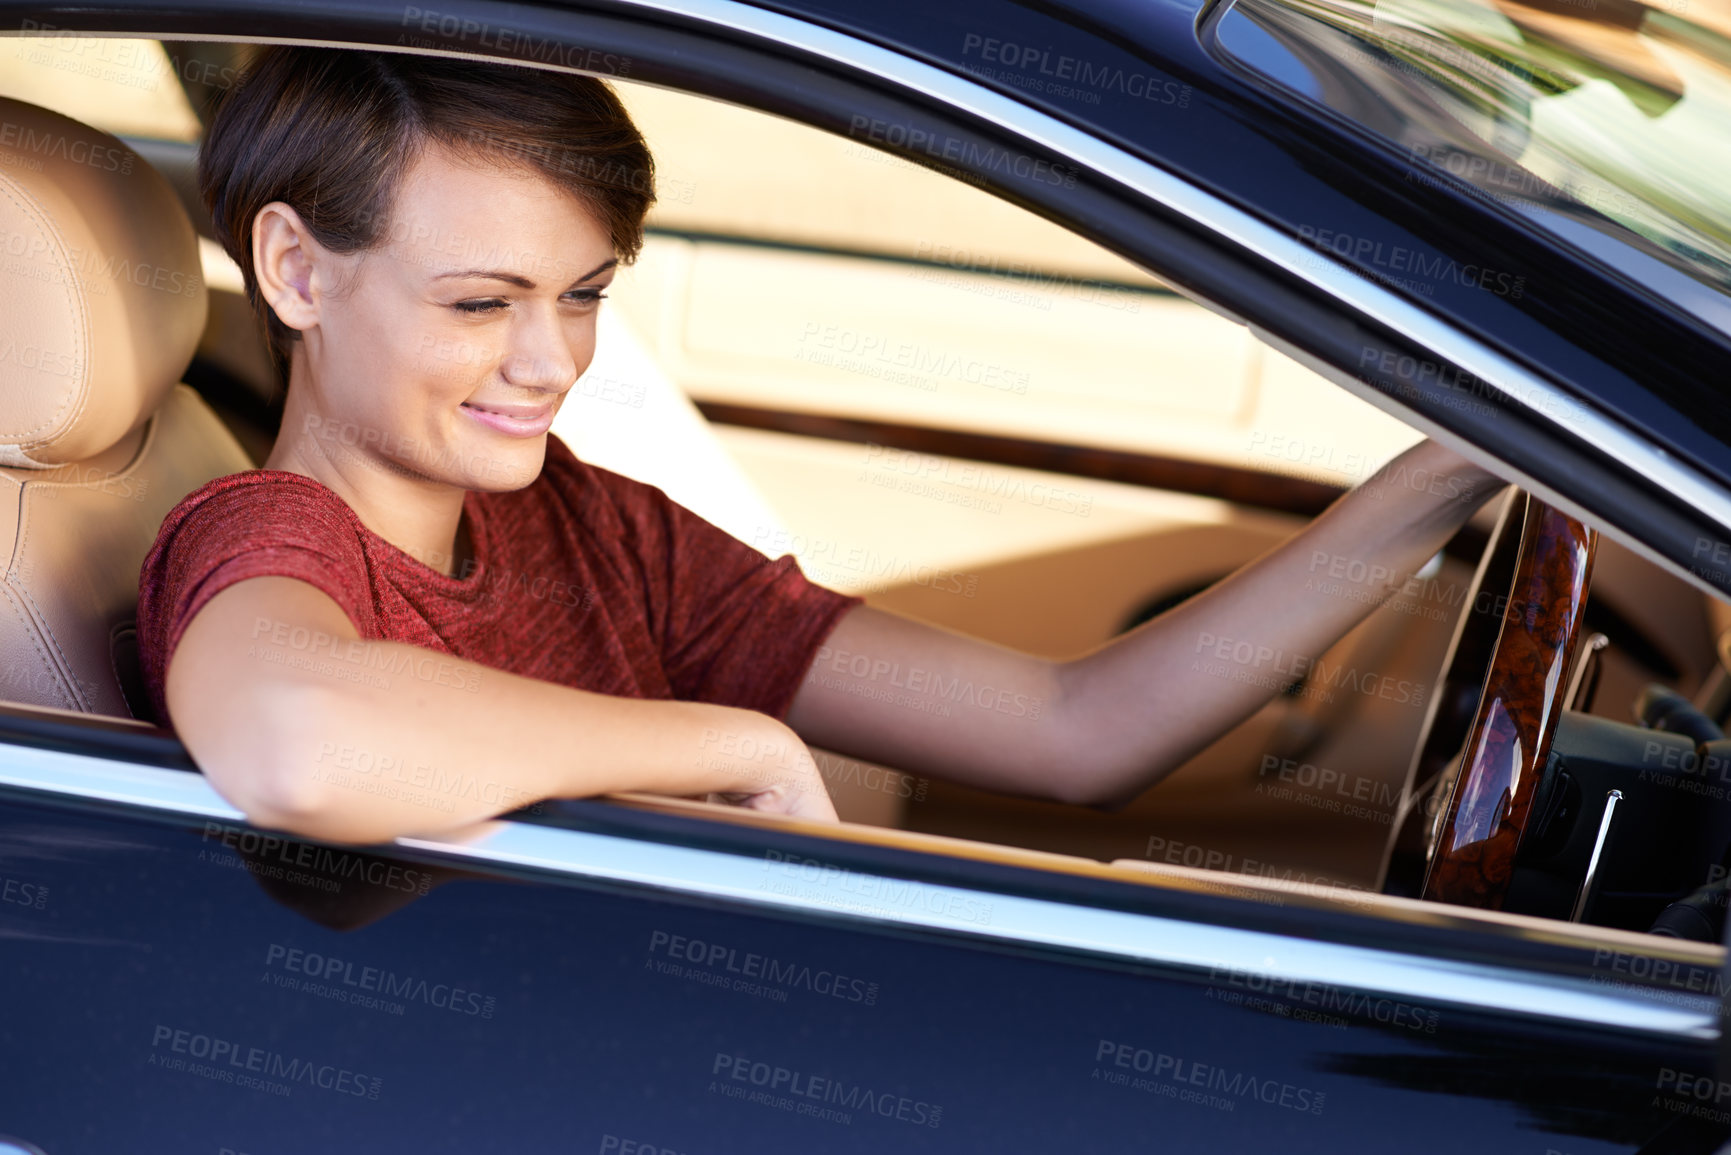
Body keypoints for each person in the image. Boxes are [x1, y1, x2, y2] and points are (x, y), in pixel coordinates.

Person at [140, 46, 1504, 845]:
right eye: (482, 304)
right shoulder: (267, 540)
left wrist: (1444, 471)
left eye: (584, 293)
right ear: (300, 274)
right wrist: (726, 743)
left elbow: (1074, 731)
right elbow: (298, 745)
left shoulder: (595, 526)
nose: (553, 361)